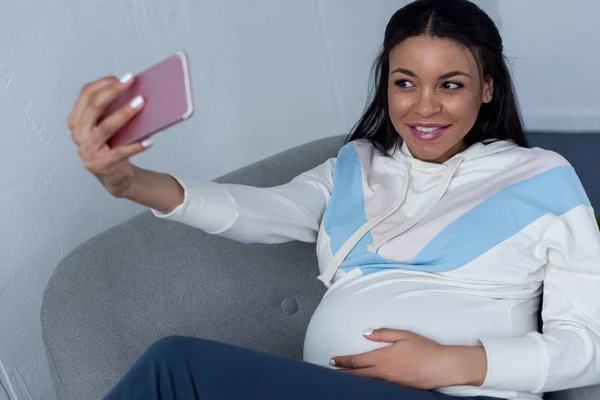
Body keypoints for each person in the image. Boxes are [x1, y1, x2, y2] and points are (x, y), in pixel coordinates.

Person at [68, 0, 600, 399]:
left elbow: (588, 345)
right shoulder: (356, 166)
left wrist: (455, 363)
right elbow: (255, 211)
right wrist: (128, 180)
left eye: (451, 84)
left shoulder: (542, 178)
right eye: (406, 82)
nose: (426, 107)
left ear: (487, 88)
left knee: (174, 367)